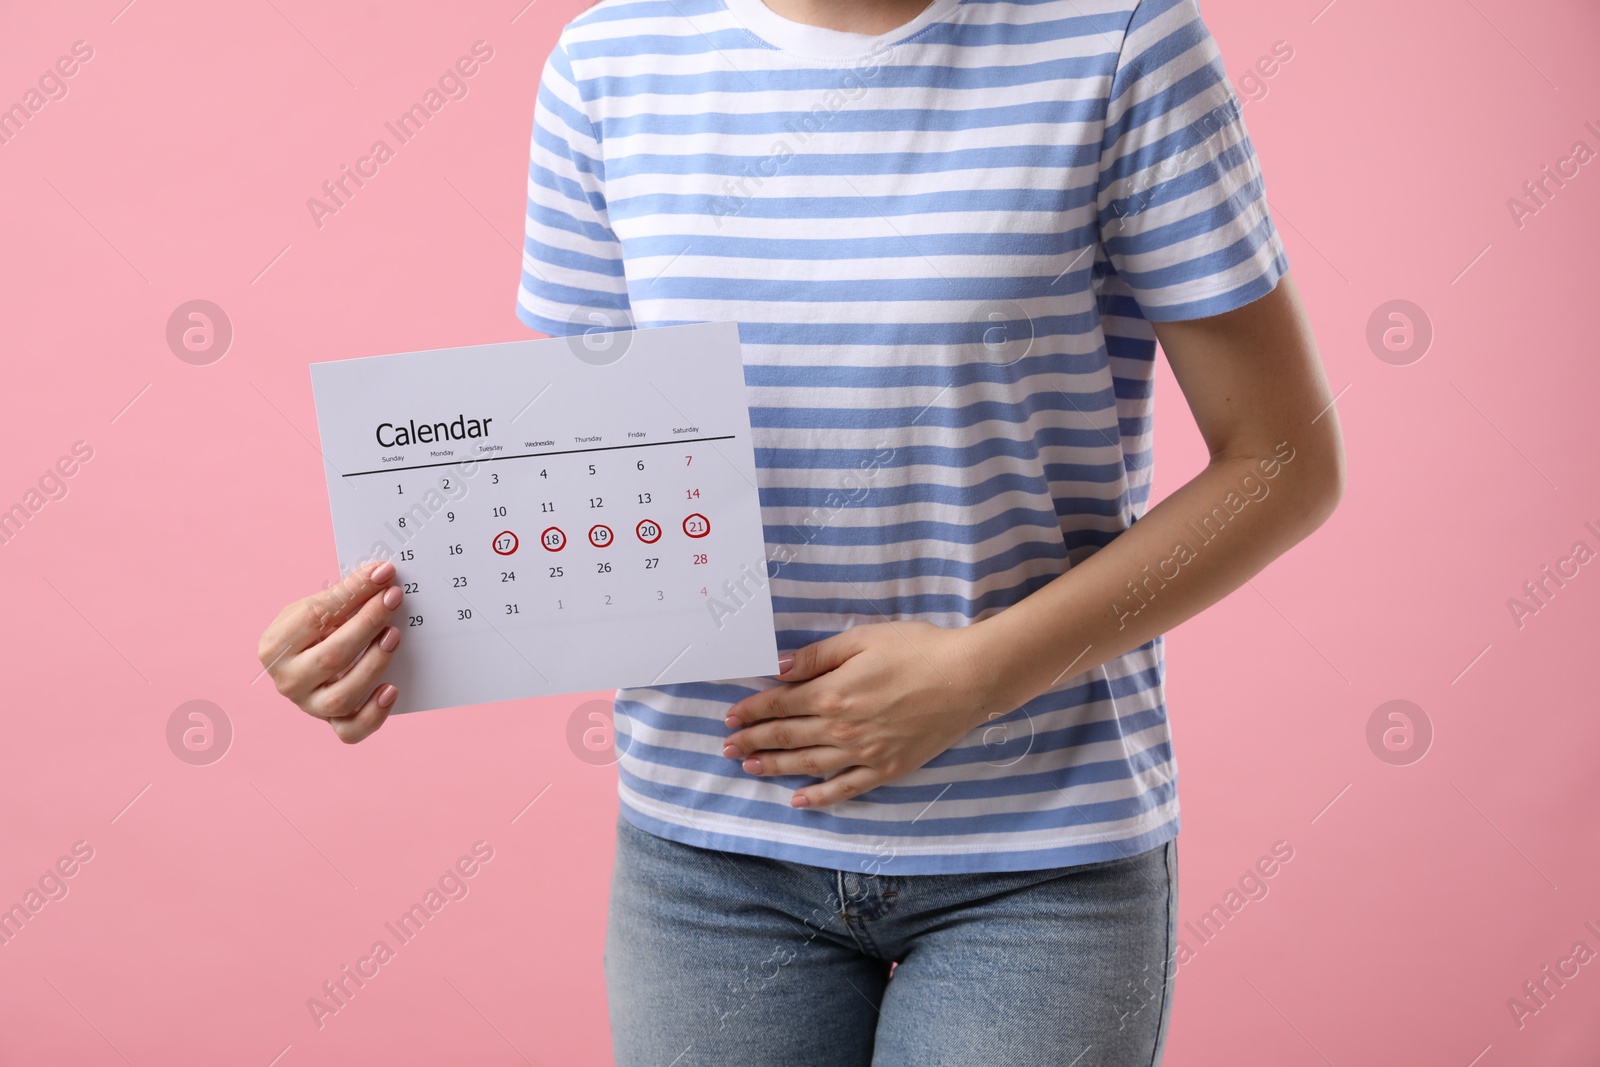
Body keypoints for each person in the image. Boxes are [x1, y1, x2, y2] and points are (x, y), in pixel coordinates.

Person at [257, 0, 1344, 1061]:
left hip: (1035, 855)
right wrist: (389, 635)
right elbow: (581, 482)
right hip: (708, 861)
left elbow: (1283, 462)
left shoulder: (1117, 38)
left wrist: (979, 673)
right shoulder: (610, 60)